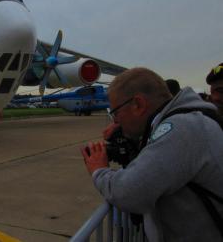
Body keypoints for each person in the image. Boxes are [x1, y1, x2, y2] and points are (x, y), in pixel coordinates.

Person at [81, 67, 223, 241]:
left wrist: (99, 170)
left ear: (138, 105)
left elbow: (129, 193)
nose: (116, 121)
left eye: (116, 113)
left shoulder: (182, 128)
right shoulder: (192, 119)